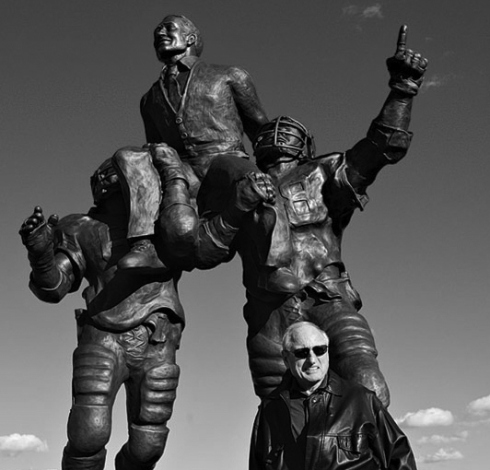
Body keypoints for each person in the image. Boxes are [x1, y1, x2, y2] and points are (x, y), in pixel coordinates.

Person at [174, 25, 427, 407]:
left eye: (286, 131)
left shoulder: (325, 173)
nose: (275, 133)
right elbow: (203, 251)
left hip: (327, 298)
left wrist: (402, 89)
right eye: (268, 132)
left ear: (306, 145)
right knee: (278, 413)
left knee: (367, 387)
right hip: (268, 312)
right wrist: (236, 206)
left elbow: (381, 146)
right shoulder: (236, 186)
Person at [19, 147, 192, 470]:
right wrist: (41, 255)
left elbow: (203, 244)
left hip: (157, 338)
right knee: (88, 435)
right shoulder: (81, 228)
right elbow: (55, 287)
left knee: (148, 445)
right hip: (102, 337)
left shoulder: (164, 222)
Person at [114, 14, 269, 271]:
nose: (160, 33)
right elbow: (155, 145)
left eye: (167, 28)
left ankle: (277, 267)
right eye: (156, 31)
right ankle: (144, 245)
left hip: (225, 160)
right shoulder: (148, 98)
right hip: (182, 168)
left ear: (190, 38)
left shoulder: (229, 75)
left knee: (259, 188)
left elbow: (260, 127)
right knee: (128, 156)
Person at [250, 321, 417, 470]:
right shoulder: (270, 409)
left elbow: (400, 458)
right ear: (286, 359)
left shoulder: (362, 399)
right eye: (302, 352)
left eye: (319, 350)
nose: (312, 360)